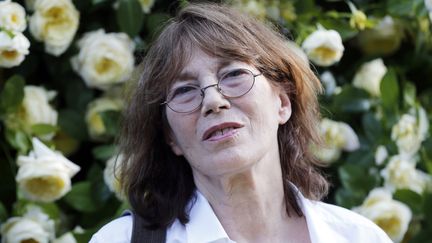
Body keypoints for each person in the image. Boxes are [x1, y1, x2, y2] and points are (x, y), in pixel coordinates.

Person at [90, 3, 392, 243]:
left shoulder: (359, 237)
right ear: (171, 137)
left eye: (233, 75)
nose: (213, 101)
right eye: (184, 91)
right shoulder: (119, 241)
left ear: (282, 103)